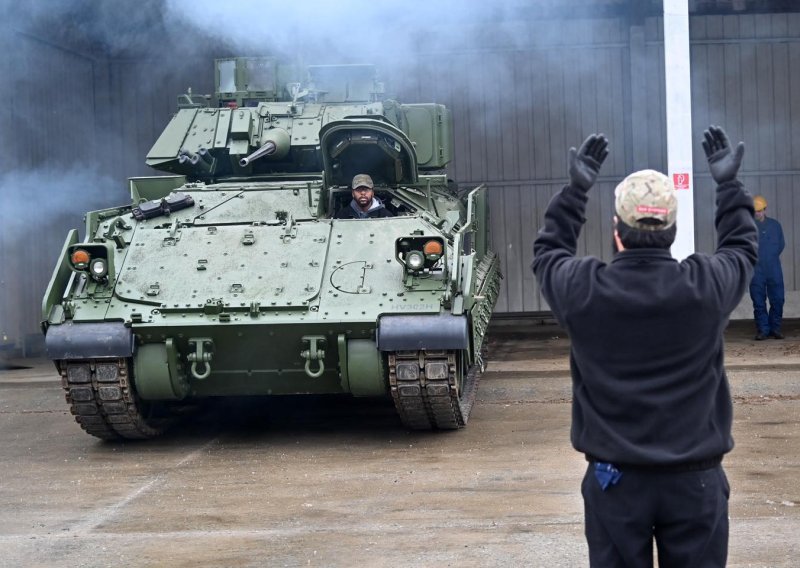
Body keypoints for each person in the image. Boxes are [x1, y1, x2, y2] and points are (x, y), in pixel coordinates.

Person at [532, 126, 757, 567]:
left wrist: (576, 190)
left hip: (616, 481)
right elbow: (743, 247)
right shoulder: (704, 287)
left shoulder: (584, 290)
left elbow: (547, 251)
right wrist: (729, 186)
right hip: (695, 483)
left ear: (618, 230)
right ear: (672, 230)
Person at [749, 195, 785, 340]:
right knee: (758, 301)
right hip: (755, 269)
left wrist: (770, 258)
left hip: (773, 268)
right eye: (755, 211)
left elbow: (781, 245)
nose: (757, 213)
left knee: (778, 299)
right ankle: (763, 330)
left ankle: (775, 328)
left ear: (765, 209)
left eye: (760, 210)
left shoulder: (775, 226)